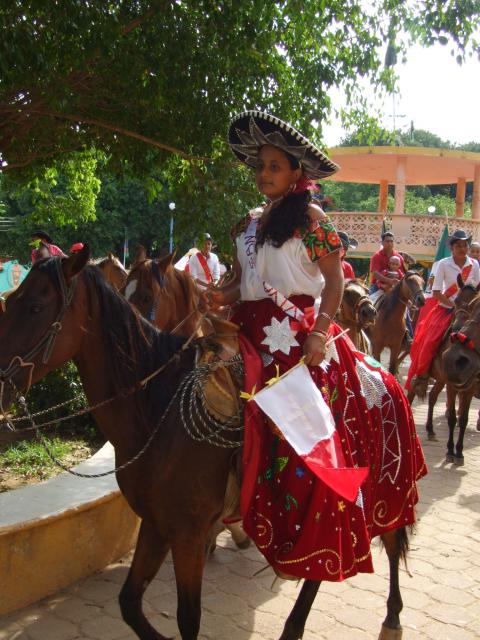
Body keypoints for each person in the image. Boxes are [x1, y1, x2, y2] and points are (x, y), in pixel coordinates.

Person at [206, 110, 425, 582]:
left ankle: (309, 520)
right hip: (244, 328)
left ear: (295, 172)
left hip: (296, 333)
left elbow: (333, 282)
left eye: (274, 167)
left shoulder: (312, 218)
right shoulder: (249, 223)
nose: (264, 174)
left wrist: (322, 332)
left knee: (300, 423)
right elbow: (239, 282)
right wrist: (213, 296)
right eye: (260, 166)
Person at [406, 229, 480, 393]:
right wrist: (454, 305)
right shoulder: (443, 264)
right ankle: (422, 376)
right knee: (429, 341)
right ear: (452, 248)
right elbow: (437, 292)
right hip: (447, 308)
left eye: (464, 245)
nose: (462, 248)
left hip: (470, 311)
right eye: (458, 245)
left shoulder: (474, 265)